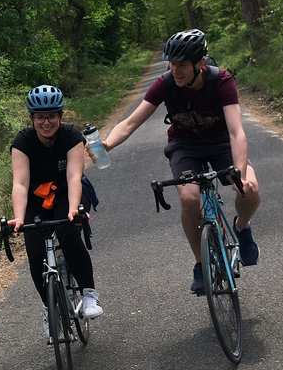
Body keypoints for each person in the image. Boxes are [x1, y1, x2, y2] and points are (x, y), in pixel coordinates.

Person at [103, 29, 260, 294]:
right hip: (185, 147)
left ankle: (242, 227)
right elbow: (130, 123)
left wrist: (240, 173)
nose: (176, 70)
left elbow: (237, 132)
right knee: (189, 198)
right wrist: (107, 143)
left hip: (221, 144)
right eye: (171, 64)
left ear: (200, 63)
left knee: (250, 189)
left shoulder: (221, 81)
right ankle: (201, 264)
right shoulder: (165, 84)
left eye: (182, 65)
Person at [9, 84, 104, 338]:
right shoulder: (22, 142)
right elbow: (20, 183)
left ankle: (88, 295)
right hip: (36, 199)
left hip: (65, 193)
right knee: (35, 250)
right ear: (32, 119)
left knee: (67, 230)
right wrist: (19, 217)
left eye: (51, 116)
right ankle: (48, 306)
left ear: (60, 117)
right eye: (40, 117)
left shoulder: (71, 137)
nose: (46, 122)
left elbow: (74, 176)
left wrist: (74, 209)